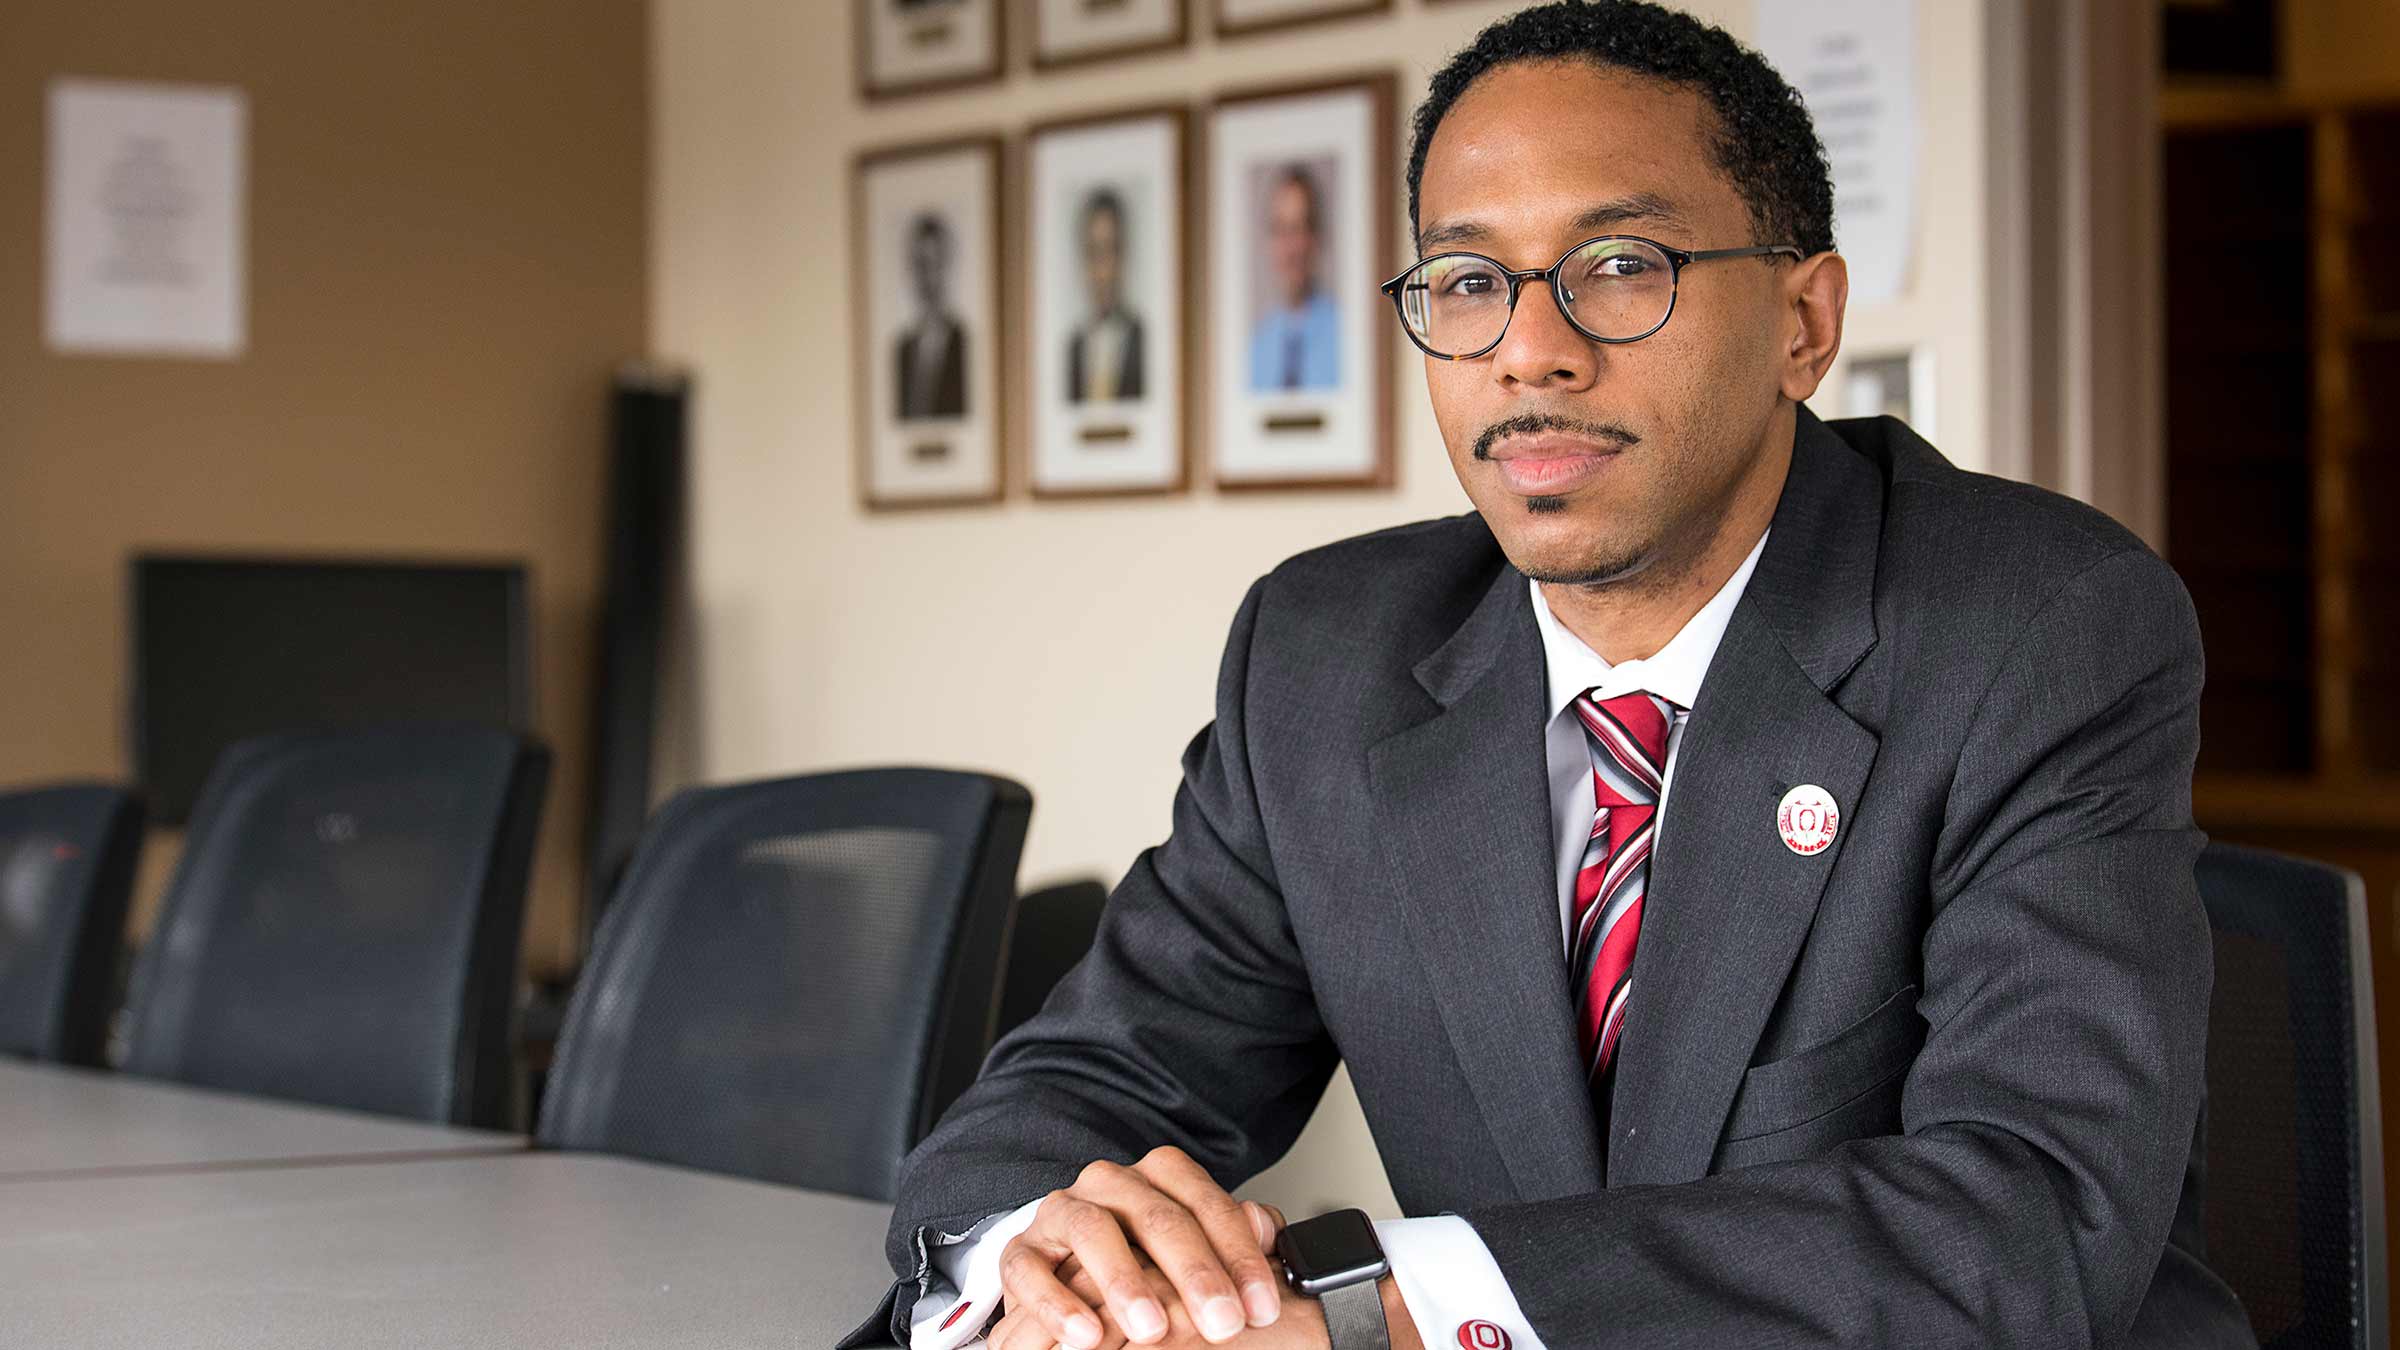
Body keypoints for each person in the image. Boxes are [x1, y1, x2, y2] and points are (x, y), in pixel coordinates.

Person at [846, 4, 2255, 1348]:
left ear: (1802, 325)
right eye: (1466, 282)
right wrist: (1042, 1247)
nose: (1530, 349)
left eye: (1625, 266)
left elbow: (2024, 1216)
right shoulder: (1327, 658)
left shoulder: (2036, 627)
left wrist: (1374, 1306)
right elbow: (1096, 1075)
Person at [1246, 165, 1340, 392]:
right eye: (1280, 230)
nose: (1290, 248)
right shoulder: (1256, 347)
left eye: (1299, 228)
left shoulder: (1343, 335)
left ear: (1316, 237)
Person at [1068, 188, 1146, 403]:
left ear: (1123, 255)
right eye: (1093, 252)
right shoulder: (1074, 346)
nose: (1101, 272)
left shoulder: (1143, 339)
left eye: (1109, 250)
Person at [896, 213, 967, 420]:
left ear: (946, 266)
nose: (927, 277)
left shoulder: (964, 341)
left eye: (933, 264)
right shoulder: (903, 348)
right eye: (920, 265)